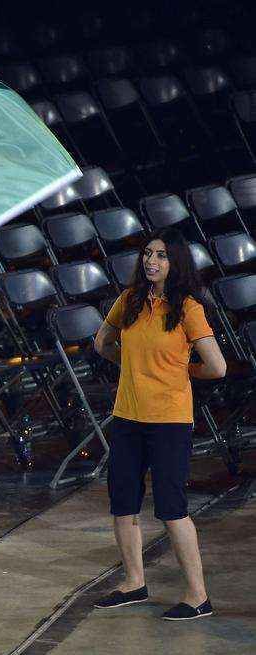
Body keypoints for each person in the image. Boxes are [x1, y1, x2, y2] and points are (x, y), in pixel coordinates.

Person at [93, 228, 226, 620]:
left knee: (171, 508)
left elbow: (216, 367)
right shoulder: (129, 301)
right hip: (128, 417)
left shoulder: (188, 308)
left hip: (169, 420)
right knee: (123, 504)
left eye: (162, 256)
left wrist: (181, 372)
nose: (152, 261)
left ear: (176, 263)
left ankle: (197, 596)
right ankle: (134, 582)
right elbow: (103, 343)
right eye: (148, 254)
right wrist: (134, 367)